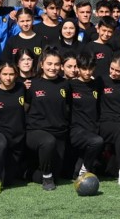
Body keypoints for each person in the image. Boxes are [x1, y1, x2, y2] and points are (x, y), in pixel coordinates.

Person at [24, 48, 71, 190]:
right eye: (49, 64)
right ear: (42, 64)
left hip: (59, 133)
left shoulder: (65, 84)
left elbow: (68, 107)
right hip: (36, 131)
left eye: (56, 64)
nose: (53, 67)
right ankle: (46, 177)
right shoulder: (31, 84)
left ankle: (28, 173)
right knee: (47, 141)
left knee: (56, 176)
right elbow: (24, 108)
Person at [0, 61, 25, 193]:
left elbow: (28, 106)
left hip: (17, 134)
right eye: (5, 74)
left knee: (8, 180)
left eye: (11, 74)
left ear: (16, 75)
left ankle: (0, 176)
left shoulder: (22, 88)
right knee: (0, 143)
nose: (8, 77)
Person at [98, 53, 120, 185]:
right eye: (111, 68)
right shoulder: (101, 80)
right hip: (105, 122)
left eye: (117, 70)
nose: (113, 73)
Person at [69, 52, 104, 177]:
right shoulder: (70, 85)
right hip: (76, 130)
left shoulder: (98, 84)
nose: (88, 72)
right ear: (78, 67)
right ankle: (85, 169)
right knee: (97, 142)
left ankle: (84, 168)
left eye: (90, 68)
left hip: (93, 128)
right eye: (84, 69)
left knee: (76, 174)